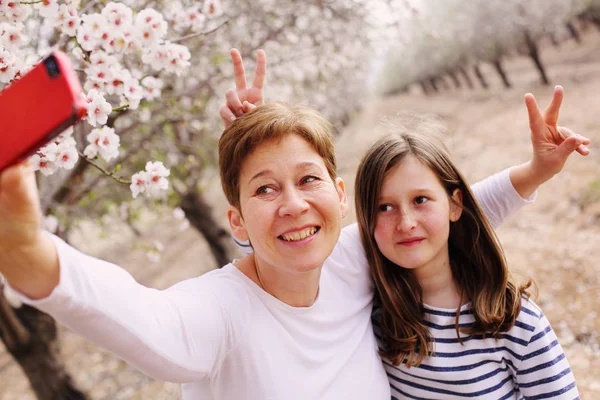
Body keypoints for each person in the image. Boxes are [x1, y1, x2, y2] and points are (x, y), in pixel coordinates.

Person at [0, 49, 588, 399]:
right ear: (236, 220)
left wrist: (535, 173)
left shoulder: (357, 260)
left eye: (308, 180)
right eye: (264, 189)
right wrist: (26, 249)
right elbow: (141, 318)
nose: (293, 205)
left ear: (337, 193)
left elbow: (440, 214)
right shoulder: (218, 312)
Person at [353, 120, 580, 398]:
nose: (406, 222)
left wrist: (536, 171)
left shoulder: (514, 321)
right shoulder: (373, 317)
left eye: (420, 200)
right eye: (384, 207)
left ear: (455, 204)